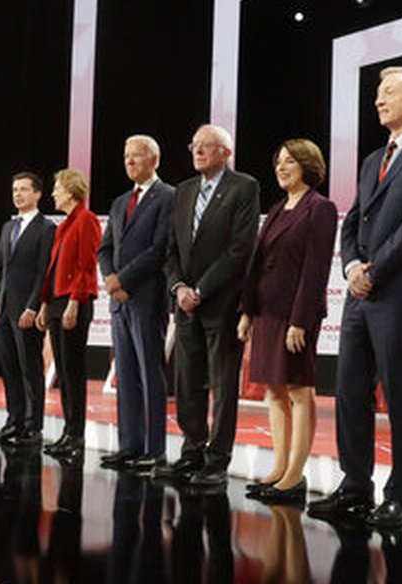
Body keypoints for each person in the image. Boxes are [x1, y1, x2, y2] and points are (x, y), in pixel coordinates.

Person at [307, 66, 402, 528]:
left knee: (401, 395)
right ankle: (355, 487)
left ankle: (400, 495)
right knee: (351, 393)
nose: (378, 100)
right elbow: (353, 222)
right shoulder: (374, 159)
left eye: (388, 92)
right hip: (362, 294)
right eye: (377, 93)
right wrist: (352, 266)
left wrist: (374, 270)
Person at [159, 124, 260, 487]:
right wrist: (179, 287)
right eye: (194, 145)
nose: (197, 151)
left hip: (221, 302)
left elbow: (240, 249)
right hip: (186, 304)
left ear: (225, 153)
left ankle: (217, 459)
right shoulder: (183, 191)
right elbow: (170, 248)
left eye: (206, 146)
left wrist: (201, 289)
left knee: (222, 382)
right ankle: (192, 451)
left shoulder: (244, 187)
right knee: (187, 382)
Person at [239, 139, 337, 505]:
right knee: (273, 391)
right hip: (265, 312)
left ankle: (295, 475)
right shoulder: (278, 208)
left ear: (308, 165)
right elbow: (256, 263)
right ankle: (279, 468)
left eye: (290, 162)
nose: (281, 168)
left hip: (295, 315)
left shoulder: (320, 208)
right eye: (278, 162)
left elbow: (316, 270)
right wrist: (247, 311)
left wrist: (301, 319)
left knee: (298, 390)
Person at [97, 135, 175, 473]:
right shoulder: (119, 202)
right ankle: (129, 445)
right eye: (126, 156)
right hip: (119, 302)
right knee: (126, 376)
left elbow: (159, 249)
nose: (129, 161)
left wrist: (123, 280)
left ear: (153, 160)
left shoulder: (168, 197)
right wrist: (111, 280)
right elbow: (104, 249)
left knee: (150, 375)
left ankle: (154, 450)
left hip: (146, 298)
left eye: (137, 156)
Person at [0, 172, 56, 447]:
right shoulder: (8, 227)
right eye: (15, 189)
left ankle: (32, 427)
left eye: (24, 189)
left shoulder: (46, 227)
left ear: (38, 194)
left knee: (30, 368)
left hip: (26, 310)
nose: (18, 194)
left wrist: (33, 305)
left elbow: (43, 272)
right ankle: (13, 421)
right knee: (10, 367)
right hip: (3, 308)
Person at [37, 168, 102, 461]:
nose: (53, 193)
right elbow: (52, 271)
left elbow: (87, 265)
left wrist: (75, 302)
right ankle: (68, 431)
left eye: (57, 188)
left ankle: (77, 435)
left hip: (74, 302)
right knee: (63, 372)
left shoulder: (86, 221)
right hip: (56, 302)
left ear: (71, 190)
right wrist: (44, 304)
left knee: (73, 372)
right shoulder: (64, 225)